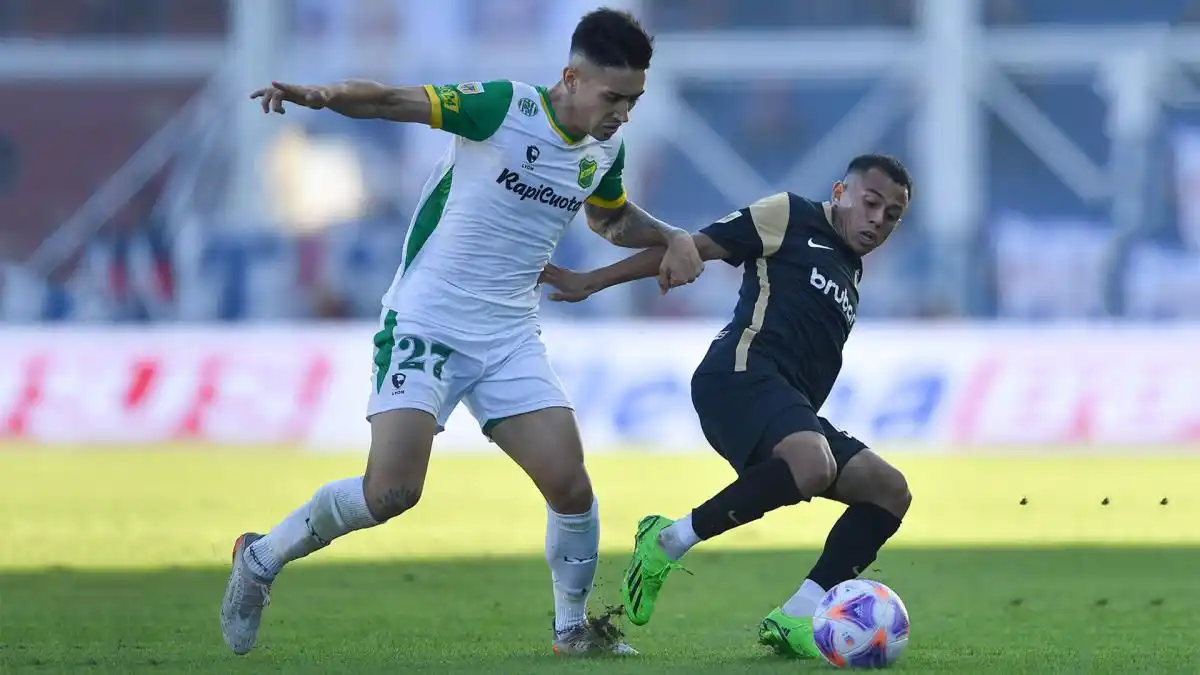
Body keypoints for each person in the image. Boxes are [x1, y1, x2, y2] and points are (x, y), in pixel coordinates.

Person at [220, 7, 704, 658]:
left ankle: (571, 629)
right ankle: (260, 557)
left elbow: (611, 221)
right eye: (614, 97)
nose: (624, 114)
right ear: (571, 78)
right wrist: (324, 96)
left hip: (509, 331)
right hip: (428, 318)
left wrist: (672, 234)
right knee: (392, 492)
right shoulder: (506, 107)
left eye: (634, 100)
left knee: (571, 485)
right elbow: (396, 101)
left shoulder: (603, 150)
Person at [538, 154, 914, 659]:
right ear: (841, 192)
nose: (878, 220)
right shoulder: (789, 214)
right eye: (871, 203)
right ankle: (666, 542)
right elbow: (690, 246)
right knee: (813, 462)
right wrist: (591, 281)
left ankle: (798, 614)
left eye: (892, 215)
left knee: (889, 491)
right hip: (737, 376)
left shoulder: (850, 268)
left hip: (787, 404)